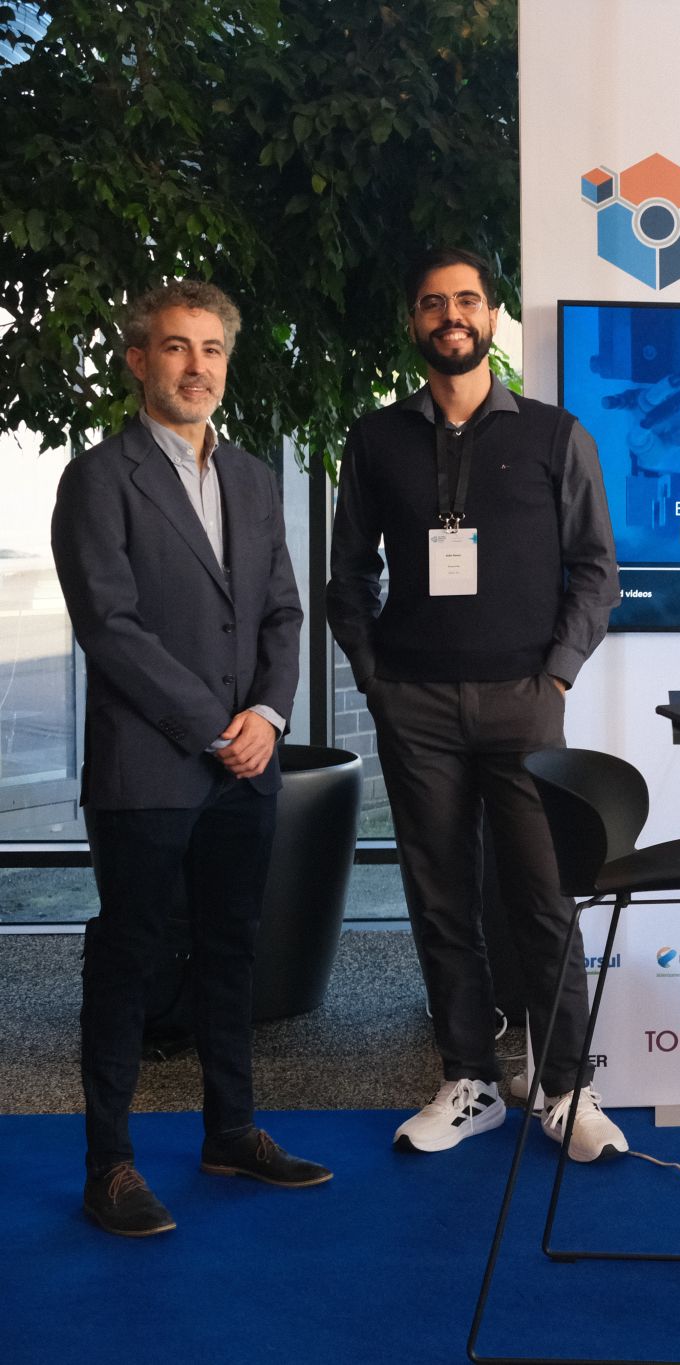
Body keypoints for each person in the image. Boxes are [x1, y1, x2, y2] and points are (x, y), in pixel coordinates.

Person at [329, 247, 624, 1162]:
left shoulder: (553, 434)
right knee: (441, 899)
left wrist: (557, 676)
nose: (450, 315)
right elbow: (349, 576)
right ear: (413, 322)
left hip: (525, 704)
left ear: (493, 317)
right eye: (432, 303)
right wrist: (376, 679)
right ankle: (470, 1080)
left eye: (467, 300)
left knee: (544, 897)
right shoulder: (375, 440)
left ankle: (567, 1087)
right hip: (415, 706)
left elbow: (597, 570)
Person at [52, 280, 329, 1236]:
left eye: (212, 349)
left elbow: (282, 611)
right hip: (148, 766)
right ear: (140, 361)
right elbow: (110, 626)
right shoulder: (99, 478)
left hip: (247, 762)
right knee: (127, 958)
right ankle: (110, 1166)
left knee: (232, 946)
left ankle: (231, 1131)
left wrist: (268, 715)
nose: (196, 366)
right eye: (176, 347)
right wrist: (216, 724)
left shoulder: (251, 477)